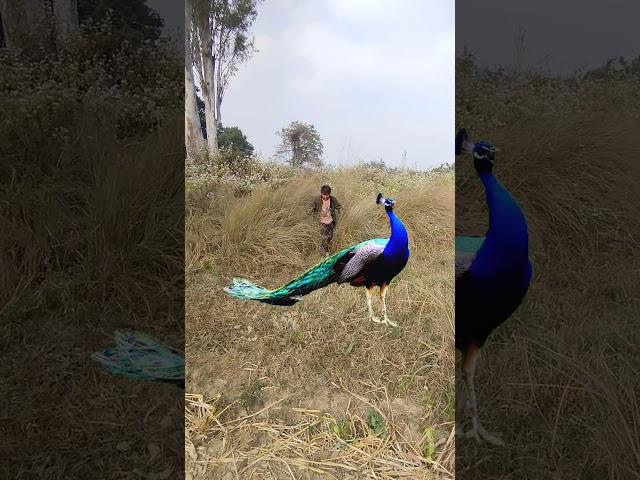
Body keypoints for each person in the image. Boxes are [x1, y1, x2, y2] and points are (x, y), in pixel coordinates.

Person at [308, 185, 343, 256]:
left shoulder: (333, 199)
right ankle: (326, 254)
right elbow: (309, 209)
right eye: (324, 195)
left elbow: (339, 206)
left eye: (327, 195)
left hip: (330, 222)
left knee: (330, 237)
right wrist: (310, 210)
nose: (326, 196)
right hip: (320, 222)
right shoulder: (316, 200)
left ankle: (327, 252)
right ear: (321, 193)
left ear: (330, 194)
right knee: (323, 238)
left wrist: (341, 210)